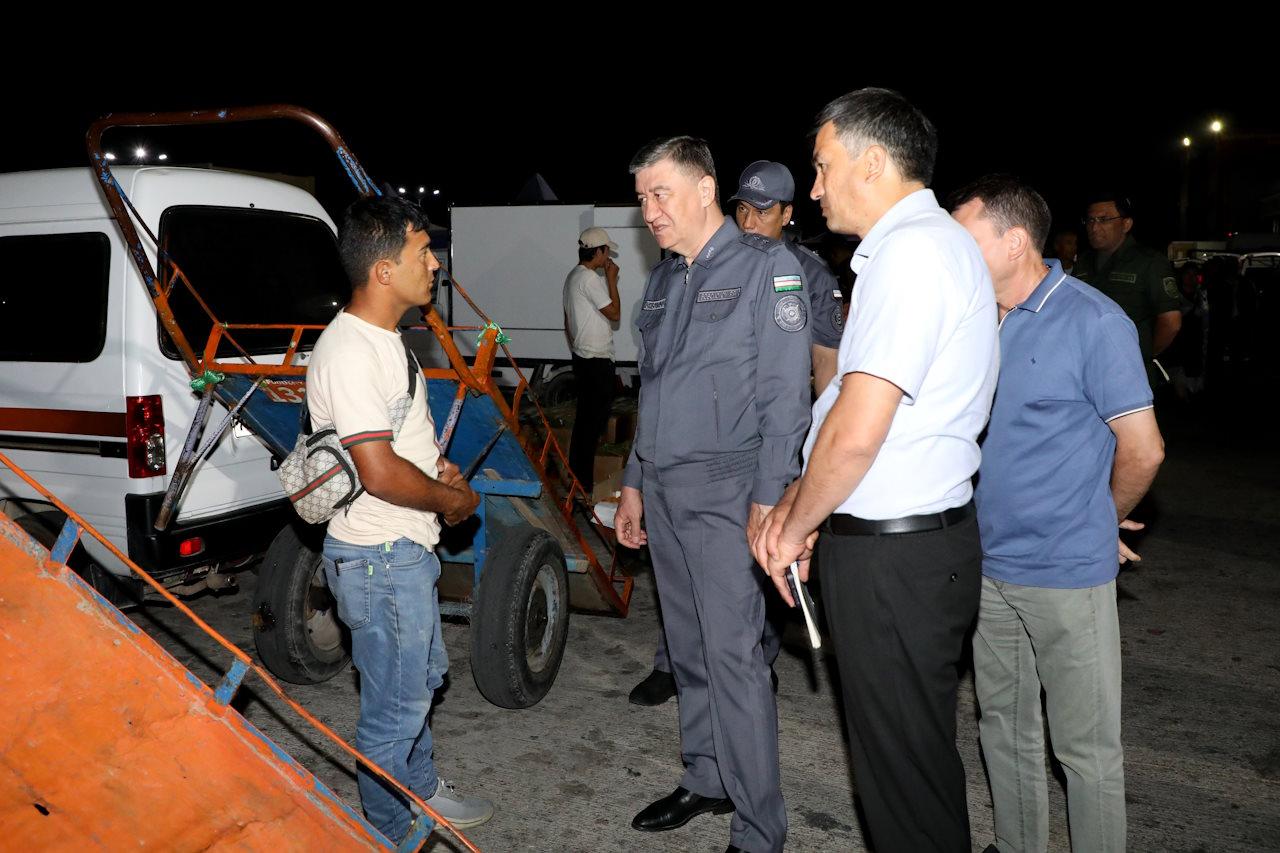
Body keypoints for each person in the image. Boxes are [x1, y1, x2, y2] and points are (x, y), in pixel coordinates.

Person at [753, 88, 998, 852]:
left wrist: (792, 525)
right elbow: (848, 424)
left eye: (822, 167)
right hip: (903, 549)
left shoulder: (914, 252)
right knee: (910, 770)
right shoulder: (918, 249)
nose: (815, 187)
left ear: (872, 159)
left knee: (902, 787)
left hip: (896, 559)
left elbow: (859, 431)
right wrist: (803, 496)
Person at [951, 174, 1164, 853]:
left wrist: (1100, 519)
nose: (952, 256)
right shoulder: (972, 319)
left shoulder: (1094, 320)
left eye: (966, 242)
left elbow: (1144, 449)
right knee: (1002, 730)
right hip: (986, 566)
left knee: (1084, 748)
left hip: (1066, 573)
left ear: (1015, 243)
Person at [614, 136, 811, 853]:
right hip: (664, 488)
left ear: (705, 190)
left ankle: (760, 827)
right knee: (690, 648)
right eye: (641, 199)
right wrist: (633, 482)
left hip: (729, 493)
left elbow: (787, 397)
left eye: (659, 194)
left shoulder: (768, 268)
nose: (648, 212)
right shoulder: (665, 281)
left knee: (733, 660)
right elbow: (653, 391)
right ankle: (705, 776)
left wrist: (770, 497)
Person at [307, 195, 494, 841]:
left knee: (422, 680)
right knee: (394, 712)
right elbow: (379, 471)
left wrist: (442, 472)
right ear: (384, 269)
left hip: (401, 551)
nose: (435, 262)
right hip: (380, 556)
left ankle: (420, 790)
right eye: (422, 250)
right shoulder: (353, 350)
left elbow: (400, 445)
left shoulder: (385, 340)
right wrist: (457, 502)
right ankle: (391, 832)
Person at [628, 159, 843, 708]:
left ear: (787, 214)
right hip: (672, 467)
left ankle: (754, 670)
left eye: (764, 210)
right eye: (744, 207)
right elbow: (655, 382)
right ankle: (681, 681)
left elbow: (816, 370)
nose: (751, 219)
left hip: (745, 458)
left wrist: (797, 466)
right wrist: (635, 476)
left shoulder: (797, 271)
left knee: (737, 618)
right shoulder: (675, 271)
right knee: (688, 617)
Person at [1072, 193, 1181, 386]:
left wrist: (1142, 354)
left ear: (1126, 224)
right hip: (1086, 370)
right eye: (1090, 220)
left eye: (1104, 220)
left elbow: (1171, 322)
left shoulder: (1149, 262)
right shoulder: (1083, 263)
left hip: (1130, 374)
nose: (1094, 227)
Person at [562, 226, 621, 492]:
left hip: (583, 358)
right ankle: (583, 486)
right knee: (591, 426)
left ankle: (578, 483)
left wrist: (575, 344)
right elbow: (615, 313)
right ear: (598, 252)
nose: (608, 256)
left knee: (585, 425)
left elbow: (567, 321)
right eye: (606, 251)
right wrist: (611, 278)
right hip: (597, 362)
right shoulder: (589, 279)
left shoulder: (572, 277)